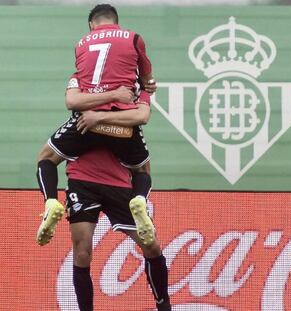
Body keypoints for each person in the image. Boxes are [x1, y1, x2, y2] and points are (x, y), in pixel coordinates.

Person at [36, 4, 156, 247]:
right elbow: (146, 88)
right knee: (142, 171)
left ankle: (50, 201)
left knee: (46, 158)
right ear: (116, 22)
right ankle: (140, 199)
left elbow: (72, 100)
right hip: (122, 124)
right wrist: (144, 85)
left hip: (86, 122)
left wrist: (97, 113)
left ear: (91, 25)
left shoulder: (81, 45)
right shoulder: (134, 42)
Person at [65, 140, 171, 311]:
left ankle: (164, 306)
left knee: (152, 245)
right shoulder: (81, 118)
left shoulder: (131, 122)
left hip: (119, 183)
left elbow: (143, 169)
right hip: (82, 182)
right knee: (82, 252)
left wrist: (140, 196)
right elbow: (49, 156)